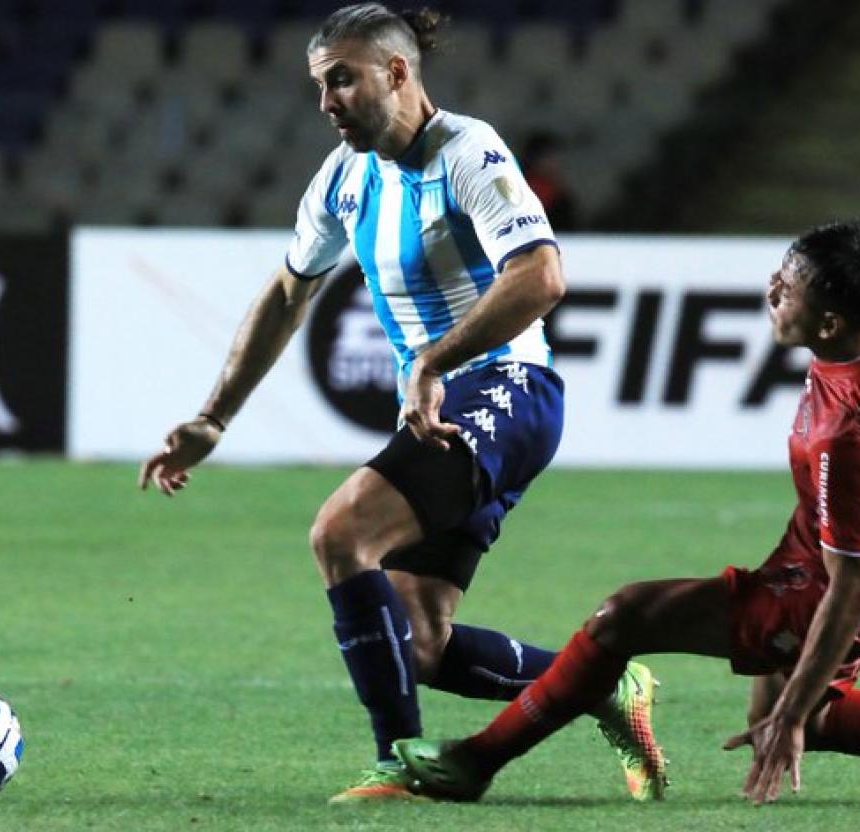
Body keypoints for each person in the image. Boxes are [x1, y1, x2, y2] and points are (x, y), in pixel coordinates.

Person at [138, 3, 664, 804]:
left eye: (341, 79)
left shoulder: (468, 151)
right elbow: (287, 294)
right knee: (419, 641)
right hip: (441, 406)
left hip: (507, 390)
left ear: (396, 71)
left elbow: (542, 276)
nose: (327, 102)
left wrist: (431, 359)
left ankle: (400, 761)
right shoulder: (345, 179)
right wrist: (215, 416)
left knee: (341, 533)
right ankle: (601, 685)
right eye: (319, 86)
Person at [393, 219, 860, 807]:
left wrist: (790, 713)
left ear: (830, 320)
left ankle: (474, 763)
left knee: (626, 618)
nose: (769, 292)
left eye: (785, 290)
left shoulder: (854, 431)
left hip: (838, 584)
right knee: (795, 715)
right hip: (833, 551)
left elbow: (853, 589)